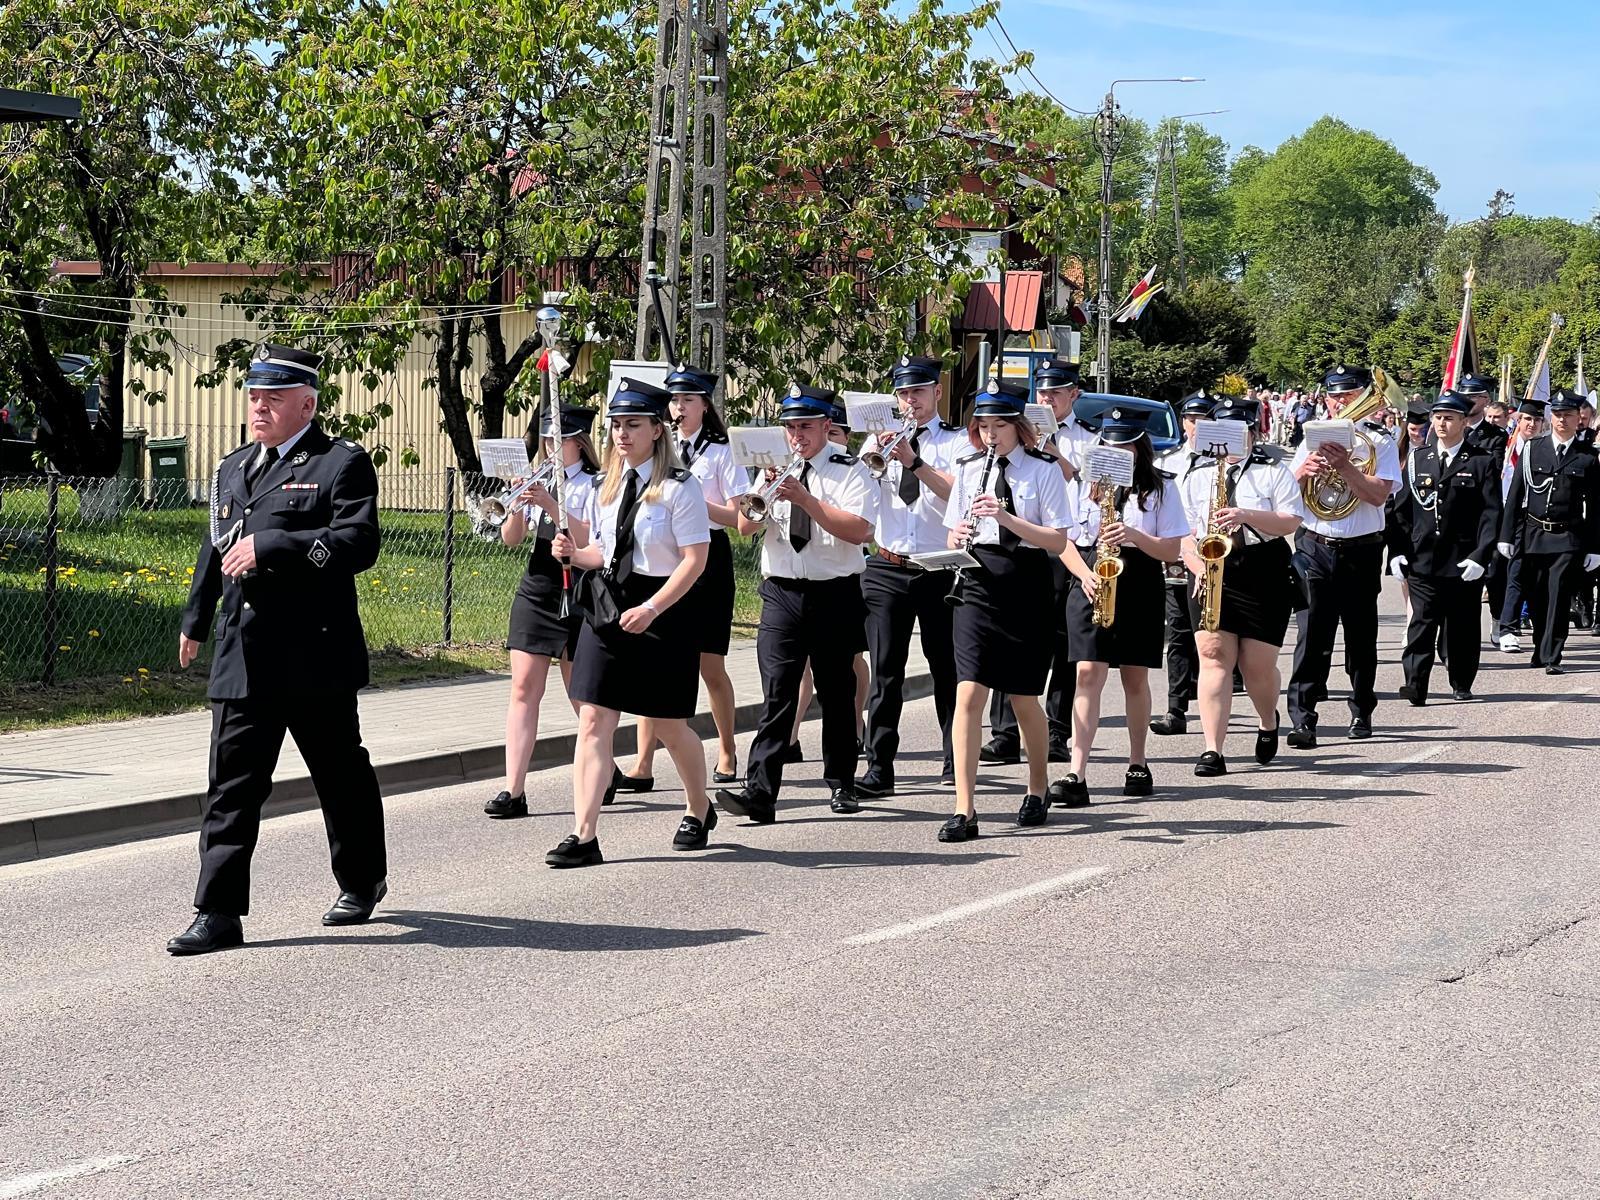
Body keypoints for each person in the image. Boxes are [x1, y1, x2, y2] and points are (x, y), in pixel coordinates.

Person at [168, 344, 386, 955]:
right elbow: (216, 546)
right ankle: (217, 911)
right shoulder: (233, 467)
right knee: (230, 787)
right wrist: (195, 617)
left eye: (273, 398)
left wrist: (275, 547)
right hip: (245, 653)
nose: (258, 408)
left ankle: (362, 880)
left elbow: (357, 543)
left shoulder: (341, 463)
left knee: (340, 777)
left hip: (314, 655)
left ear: (307, 405)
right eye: (254, 397)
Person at [545, 377, 713, 866]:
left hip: (663, 608)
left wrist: (653, 608)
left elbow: (693, 560)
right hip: (608, 606)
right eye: (616, 425)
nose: (621, 434)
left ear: (657, 430)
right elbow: (605, 551)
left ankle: (699, 808)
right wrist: (576, 554)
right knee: (594, 718)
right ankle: (584, 834)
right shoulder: (605, 486)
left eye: (633, 425)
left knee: (668, 726)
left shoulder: (681, 488)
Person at [716, 384, 879, 823]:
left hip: (834, 592)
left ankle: (842, 781)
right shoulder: (774, 470)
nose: (796, 436)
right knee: (778, 692)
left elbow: (860, 530)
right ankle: (760, 792)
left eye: (805, 426)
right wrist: (763, 500)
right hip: (782, 593)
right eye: (790, 427)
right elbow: (744, 528)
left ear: (827, 426)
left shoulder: (850, 470)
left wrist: (805, 498)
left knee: (837, 692)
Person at [938, 377, 1071, 840]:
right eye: (983, 425)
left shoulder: (1042, 470)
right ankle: (965, 808)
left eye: (1000, 425)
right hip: (975, 581)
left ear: (1018, 426)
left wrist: (1007, 517)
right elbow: (952, 526)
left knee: (1021, 697)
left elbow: (1057, 539)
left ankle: (1037, 787)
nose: (991, 434)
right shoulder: (968, 466)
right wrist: (956, 535)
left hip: (1026, 583)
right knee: (968, 693)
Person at [614, 365, 745, 795]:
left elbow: (742, 518)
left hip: (707, 556)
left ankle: (726, 749)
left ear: (705, 405)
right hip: (663, 561)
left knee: (710, 665)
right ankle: (643, 761)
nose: (678, 408)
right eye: (673, 401)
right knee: (648, 664)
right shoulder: (655, 456)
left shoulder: (722, 452)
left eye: (687, 400)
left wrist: (693, 505)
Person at [1056, 406, 1188, 805]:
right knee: (1086, 675)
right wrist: (1084, 574)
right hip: (1091, 577)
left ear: (1138, 449)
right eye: (1110, 446)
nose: (1117, 454)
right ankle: (1077, 771)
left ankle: (1137, 762)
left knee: (1134, 677)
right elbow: (1063, 540)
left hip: (1140, 579)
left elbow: (1171, 549)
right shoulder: (1082, 485)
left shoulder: (1161, 487)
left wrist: (1131, 532)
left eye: (1125, 447)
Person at [485, 404, 601, 819]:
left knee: (582, 694)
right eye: (548, 440)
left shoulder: (596, 483)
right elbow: (511, 539)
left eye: (561, 441)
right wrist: (516, 503)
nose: (552, 448)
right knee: (523, 689)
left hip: (580, 585)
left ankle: (601, 768)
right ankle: (512, 790)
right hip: (538, 586)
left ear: (581, 444)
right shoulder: (538, 481)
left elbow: (592, 537)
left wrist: (552, 504)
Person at [1177, 396, 1303, 775]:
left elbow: (1290, 520)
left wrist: (1245, 513)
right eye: (1223, 430)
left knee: (1256, 667)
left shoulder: (1272, 470)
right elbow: (1181, 530)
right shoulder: (1196, 473)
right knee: (1213, 657)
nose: (1231, 438)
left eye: (1239, 430)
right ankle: (1213, 750)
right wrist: (1198, 567)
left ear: (1251, 432)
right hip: (1211, 568)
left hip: (1262, 567)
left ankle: (1267, 720)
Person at [857, 354, 963, 797]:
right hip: (887, 564)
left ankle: (956, 759)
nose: (909, 402)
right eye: (902, 393)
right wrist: (875, 455)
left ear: (936, 392)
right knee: (885, 670)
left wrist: (915, 462)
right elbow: (859, 493)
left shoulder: (959, 442)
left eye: (917, 392)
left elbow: (960, 493)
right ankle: (879, 767)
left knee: (947, 669)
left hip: (939, 566)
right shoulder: (875, 442)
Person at [1285, 365, 1401, 748]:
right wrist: (1304, 470)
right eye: (1335, 396)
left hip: (1360, 549)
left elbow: (1378, 495)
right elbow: (1286, 495)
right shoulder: (1310, 437)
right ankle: (1302, 718)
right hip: (1314, 545)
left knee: (1360, 635)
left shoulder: (1378, 441)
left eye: (1349, 395)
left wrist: (1344, 466)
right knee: (1310, 633)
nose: (1340, 402)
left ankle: (1361, 709)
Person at [981, 357, 1089, 765]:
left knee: (1061, 641)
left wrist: (1050, 450)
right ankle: (1005, 731)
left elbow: (1083, 480)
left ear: (1072, 394)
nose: (1047, 398)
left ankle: (1057, 731)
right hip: (1020, 549)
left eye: (1055, 392)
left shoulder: (1087, 437)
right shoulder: (1013, 430)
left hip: (1069, 545)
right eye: (1042, 391)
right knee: (1007, 638)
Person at [1387, 390, 1502, 704]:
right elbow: (1401, 512)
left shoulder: (1480, 461)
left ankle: (1461, 680)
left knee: (1461, 626)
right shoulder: (1417, 459)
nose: (1440, 424)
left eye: (1448, 418)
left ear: (1464, 421)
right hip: (1423, 558)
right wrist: (1396, 551)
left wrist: (1481, 555)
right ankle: (1415, 684)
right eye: (1437, 417)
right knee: (1421, 623)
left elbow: (1491, 513)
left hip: (1463, 560)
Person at [1497, 386, 1600, 675]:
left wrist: (1595, 547)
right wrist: (1506, 536)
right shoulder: (1532, 449)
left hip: (1568, 537)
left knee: (1558, 594)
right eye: (1557, 415)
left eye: (1567, 415)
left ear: (1578, 418)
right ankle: (1540, 647)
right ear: (1550, 417)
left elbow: (1594, 508)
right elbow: (1516, 494)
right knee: (1538, 595)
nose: (1561, 420)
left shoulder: (1587, 457)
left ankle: (1553, 653)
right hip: (1534, 534)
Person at [1149, 390, 1216, 737]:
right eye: (1191, 421)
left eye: (1204, 421)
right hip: (1177, 558)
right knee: (1177, 633)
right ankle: (1176, 708)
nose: (1196, 427)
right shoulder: (1167, 462)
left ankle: (1215, 700)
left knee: (1214, 635)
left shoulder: (1222, 463)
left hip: (1215, 558)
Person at [1495, 398, 1546, 652]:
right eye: (1528, 419)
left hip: (1535, 519)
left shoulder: (1543, 448)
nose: (1532, 424)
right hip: (1509, 517)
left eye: (1537, 420)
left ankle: (1541, 631)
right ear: (1518, 421)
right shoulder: (1507, 448)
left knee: (1537, 576)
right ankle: (1507, 628)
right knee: (1514, 573)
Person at [1457, 372, 1509, 465]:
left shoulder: (1496, 435)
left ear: (1487, 401)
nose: (1467, 400)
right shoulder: (1447, 429)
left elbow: (1493, 472)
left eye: (1473, 396)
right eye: (1463, 396)